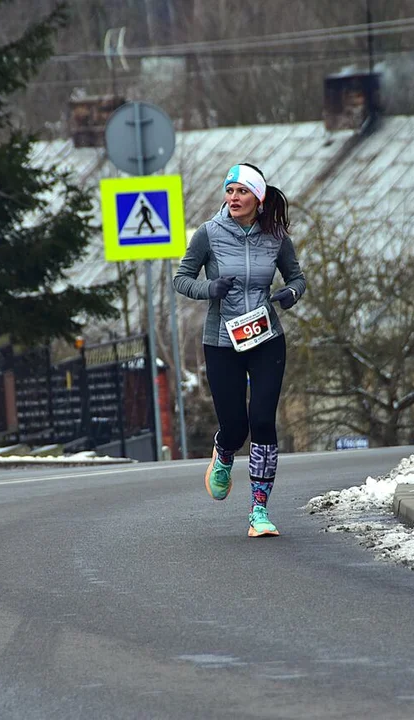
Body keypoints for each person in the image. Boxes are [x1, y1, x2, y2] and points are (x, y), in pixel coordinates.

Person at [173, 163, 306, 538]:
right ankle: (224, 451)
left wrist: (289, 294)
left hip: (266, 337)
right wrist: (208, 288)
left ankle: (259, 511)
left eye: (241, 192)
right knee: (235, 425)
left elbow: (297, 277)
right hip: (222, 341)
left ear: (258, 198)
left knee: (263, 420)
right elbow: (181, 279)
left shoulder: (276, 237)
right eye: (229, 191)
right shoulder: (209, 235)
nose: (233, 198)